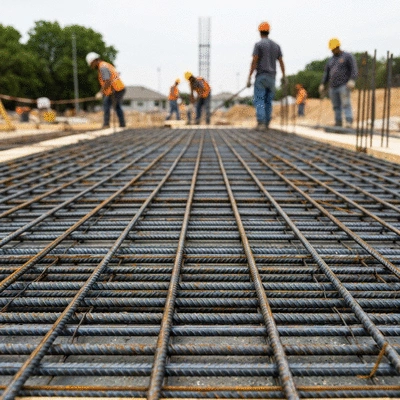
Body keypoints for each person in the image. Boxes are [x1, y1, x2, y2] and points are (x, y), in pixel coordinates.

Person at [247, 21, 286, 131]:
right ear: (268, 32)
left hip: (261, 76)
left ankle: (261, 123)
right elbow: (281, 61)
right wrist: (284, 75)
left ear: (260, 32)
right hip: (272, 78)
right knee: (268, 101)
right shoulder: (276, 45)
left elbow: (254, 60)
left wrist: (249, 76)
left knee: (259, 99)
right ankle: (267, 122)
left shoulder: (258, 45)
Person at [319, 38, 358, 128]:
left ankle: (348, 121)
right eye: (332, 49)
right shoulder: (331, 60)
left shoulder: (347, 56)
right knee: (336, 106)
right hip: (333, 87)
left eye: (334, 49)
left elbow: (354, 69)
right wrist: (322, 83)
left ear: (338, 47)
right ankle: (338, 122)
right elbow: (327, 73)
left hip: (344, 85)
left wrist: (352, 80)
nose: (333, 51)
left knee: (346, 104)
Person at [86, 52, 126, 128]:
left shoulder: (103, 67)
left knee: (111, 105)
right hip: (115, 89)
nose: (92, 66)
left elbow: (107, 80)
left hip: (116, 89)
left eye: (91, 64)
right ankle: (115, 124)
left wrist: (101, 92)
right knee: (110, 105)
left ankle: (110, 124)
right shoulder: (104, 65)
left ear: (94, 61)